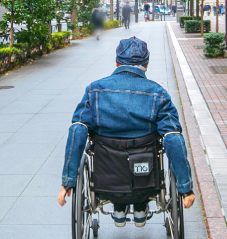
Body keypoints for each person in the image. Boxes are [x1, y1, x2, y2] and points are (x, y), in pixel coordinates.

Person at [58, 37, 195, 226]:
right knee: (168, 138)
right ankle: (140, 207)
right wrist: (185, 188)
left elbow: (78, 130)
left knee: (81, 129)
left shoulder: (95, 90)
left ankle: (119, 207)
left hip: (106, 176)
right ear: (146, 64)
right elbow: (172, 138)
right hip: (146, 177)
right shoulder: (158, 93)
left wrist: (68, 181)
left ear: (117, 62)